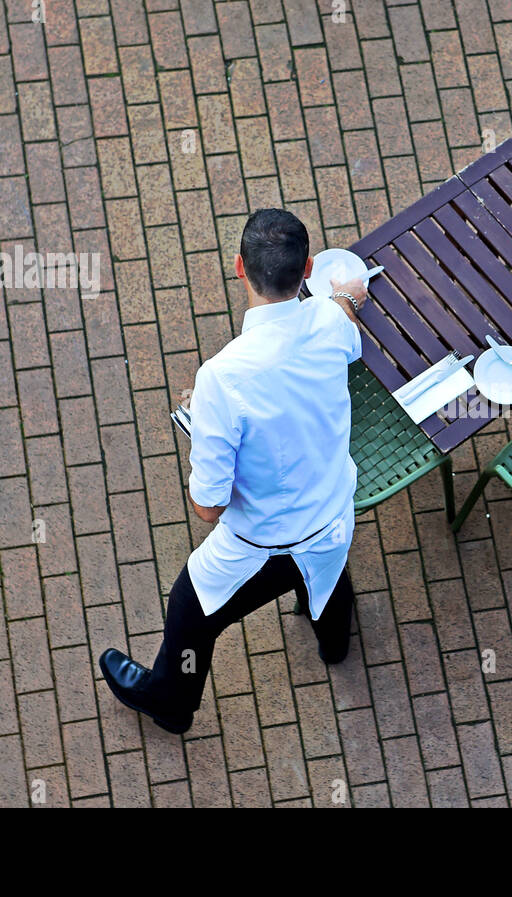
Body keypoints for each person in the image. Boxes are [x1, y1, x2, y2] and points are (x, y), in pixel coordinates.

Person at [100, 208, 366, 735]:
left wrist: (206, 434)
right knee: (328, 577)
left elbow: (208, 507)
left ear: (239, 268)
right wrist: (349, 295)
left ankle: (171, 703)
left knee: (189, 609)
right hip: (334, 516)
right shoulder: (332, 321)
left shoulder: (221, 378)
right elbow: (344, 318)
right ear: (308, 268)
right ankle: (334, 644)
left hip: (264, 543)